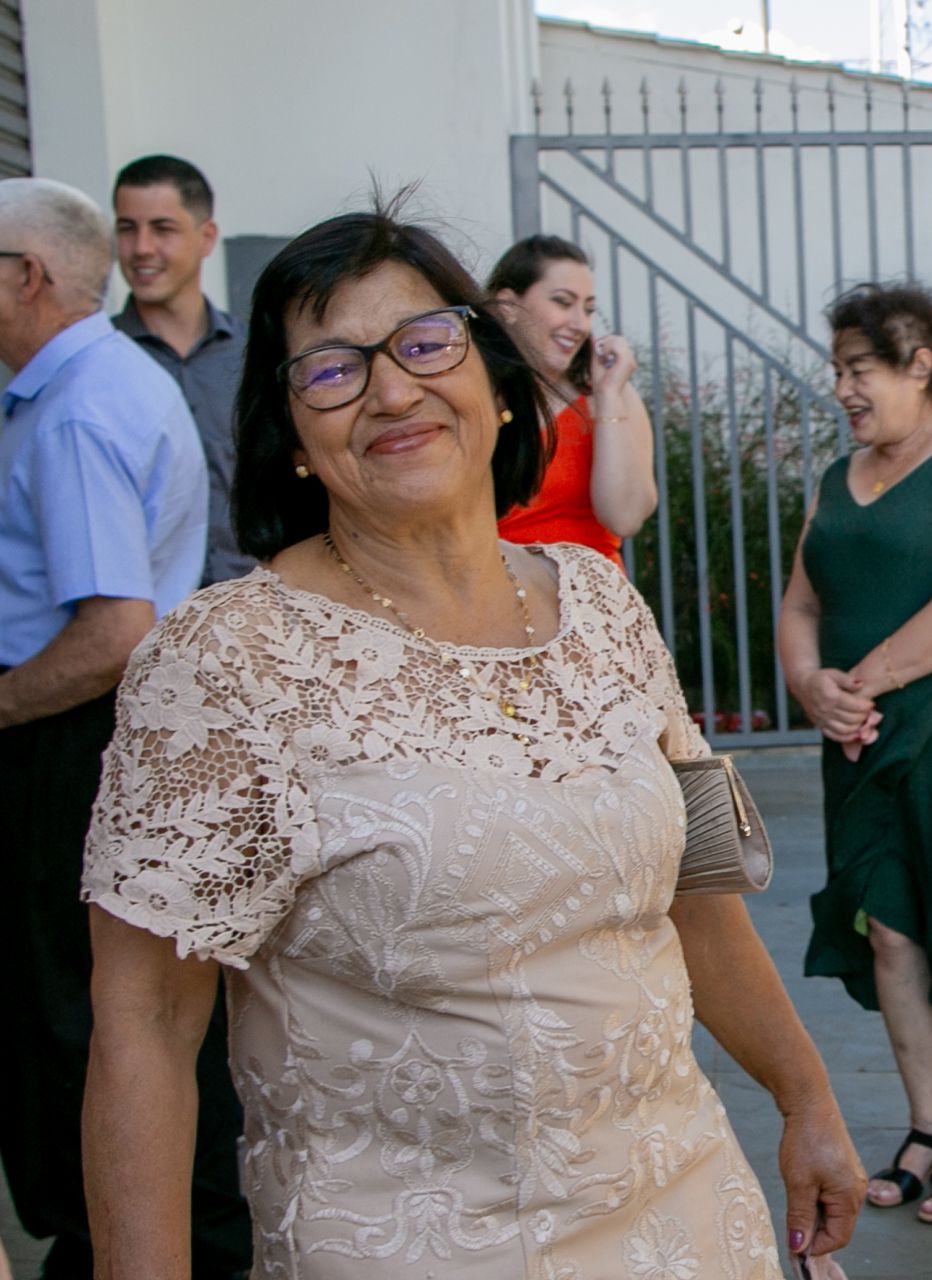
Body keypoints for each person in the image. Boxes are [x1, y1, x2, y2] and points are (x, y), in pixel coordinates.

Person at [78, 206, 864, 1277]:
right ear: (292, 437)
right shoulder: (226, 662)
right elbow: (145, 1029)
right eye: (332, 370)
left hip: (685, 1213)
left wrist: (805, 1094)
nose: (392, 391)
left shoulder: (601, 603)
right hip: (411, 1244)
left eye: (423, 342)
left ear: (496, 383)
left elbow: (696, 893)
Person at [0, 177, 249, 1278]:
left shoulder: (78, 410)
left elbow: (111, 632)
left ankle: (115, 1245)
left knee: (78, 1010)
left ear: (26, 277)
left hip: (70, 733)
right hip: (96, 727)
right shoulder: (98, 380)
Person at [777, 283, 932, 1226]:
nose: (843, 388)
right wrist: (812, 685)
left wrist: (858, 683)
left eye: (860, 369)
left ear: (919, 364)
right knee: (886, 924)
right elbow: (801, 602)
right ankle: (931, 1122)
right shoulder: (839, 476)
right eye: (838, 370)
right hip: (856, 727)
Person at [112, 155, 254, 585]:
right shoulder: (99, 365)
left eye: (162, 228)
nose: (141, 248)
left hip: (255, 603)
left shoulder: (255, 354)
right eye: (126, 228)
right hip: (148, 611)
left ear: (206, 237)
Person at [488, 235, 656, 562]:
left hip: (589, 590)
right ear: (507, 306)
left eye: (588, 309)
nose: (580, 324)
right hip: (495, 587)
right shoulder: (472, 394)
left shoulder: (609, 394)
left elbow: (624, 518)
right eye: (563, 302)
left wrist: (608, 396)